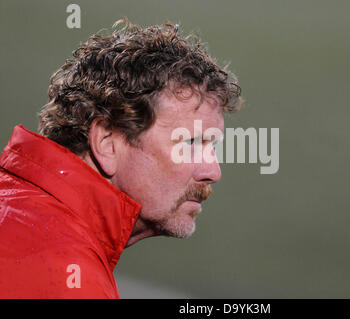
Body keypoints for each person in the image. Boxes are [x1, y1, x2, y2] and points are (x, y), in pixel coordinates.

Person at [0, 19, 241, 298]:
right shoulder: (68, 280)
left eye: (212, 146)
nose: (213, 170)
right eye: (189, 143)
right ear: (107, 144)